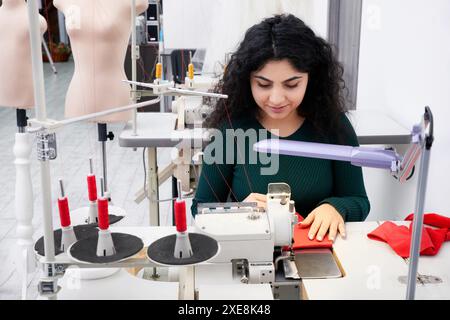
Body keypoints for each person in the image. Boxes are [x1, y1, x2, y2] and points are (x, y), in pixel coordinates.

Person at [192, 14, 370, 242]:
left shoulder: (334, 126)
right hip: (252, 252)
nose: (276, 98)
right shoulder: (231, 130)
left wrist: (336, 207)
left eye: (292, 84)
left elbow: (358, 199)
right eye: (263, 84)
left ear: (311, 78)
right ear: (248, 80)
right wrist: (239, 211)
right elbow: (200, 209)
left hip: (319, 252)